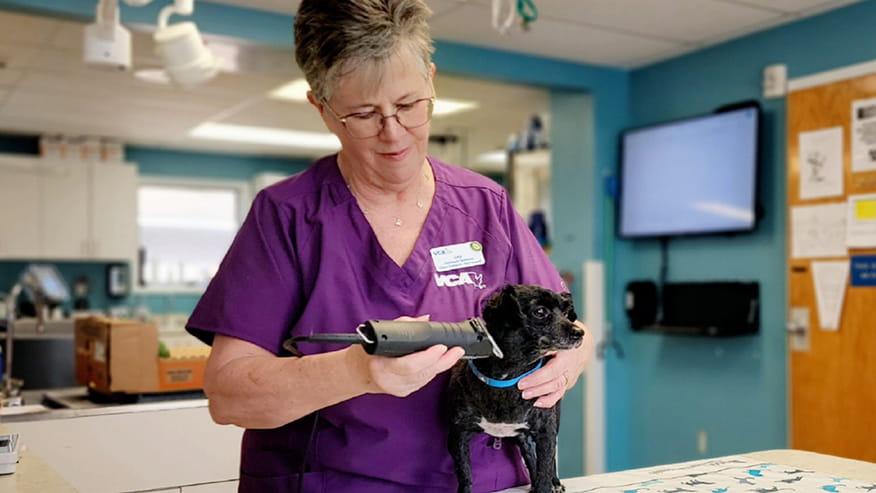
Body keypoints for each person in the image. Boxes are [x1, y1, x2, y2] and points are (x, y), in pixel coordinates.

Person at [185, 0, 594, 491]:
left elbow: (574, 331)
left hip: (482, 480)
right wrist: (357, 370)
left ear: (432, 82)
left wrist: (568, 364)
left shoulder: (486, 205)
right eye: (363, 114)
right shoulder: (288, 216)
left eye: (408, 105)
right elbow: (229, 396)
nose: (393, 133)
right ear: (323, 108)